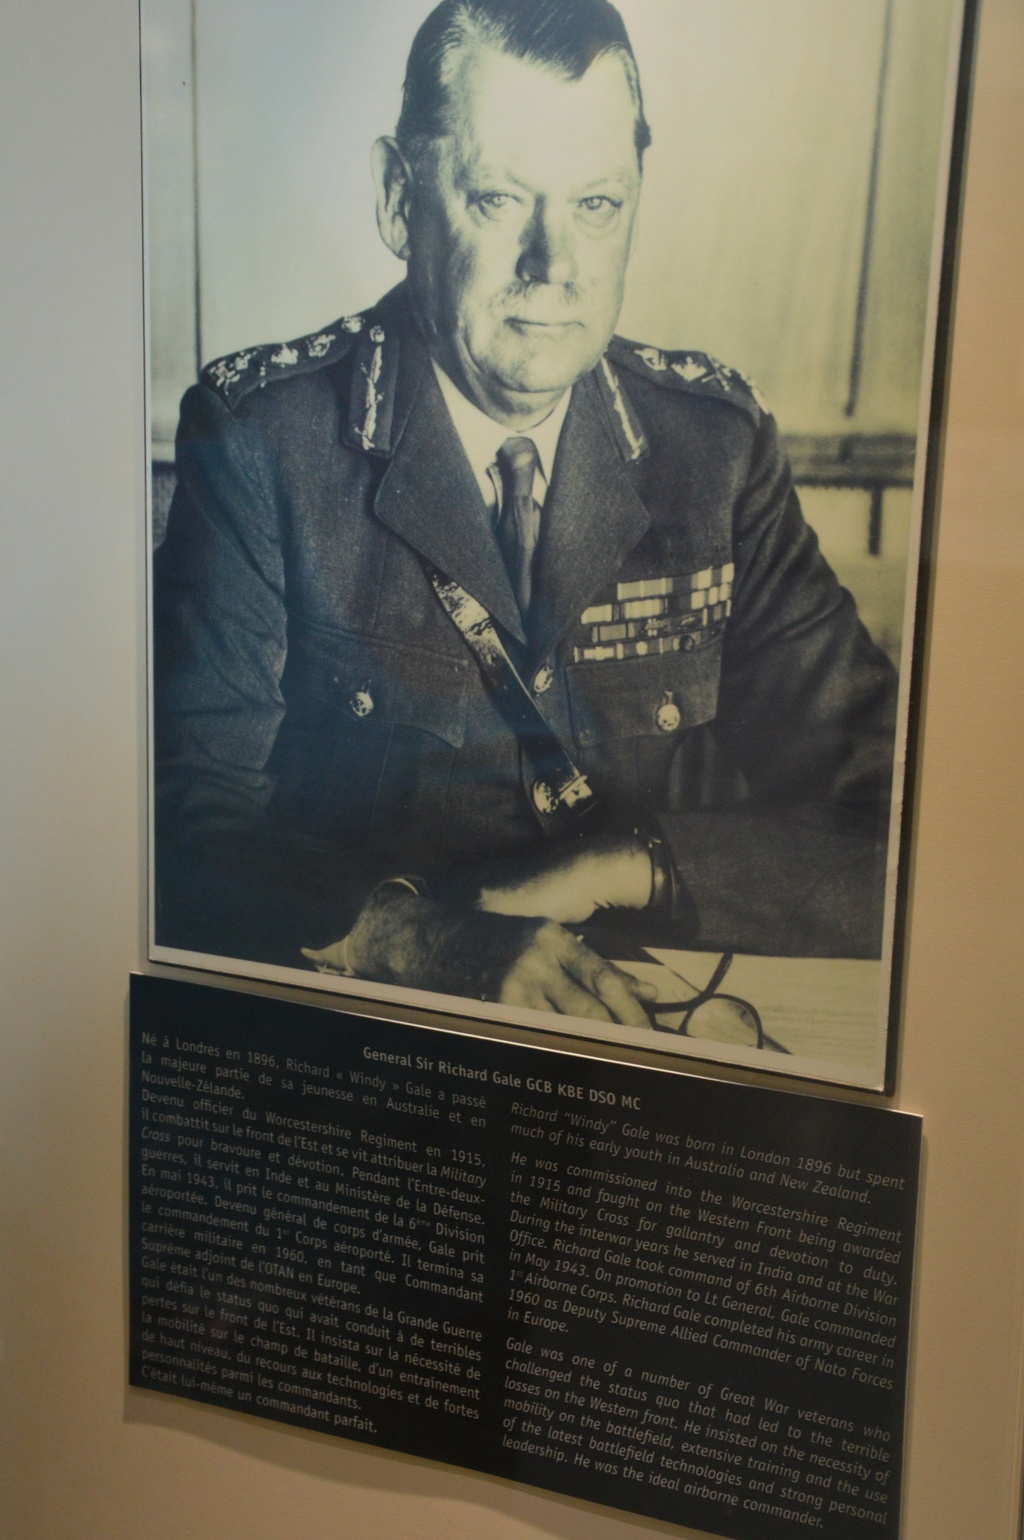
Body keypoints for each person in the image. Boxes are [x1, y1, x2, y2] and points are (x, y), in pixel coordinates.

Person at [154, 0, 897, 1029]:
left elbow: (906, 822)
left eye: (596, 204)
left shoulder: (711, 452)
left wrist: (633, 868)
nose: (555, 264)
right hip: (377, 1058)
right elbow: (179, 829)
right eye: (501, 198)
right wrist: (414, 940)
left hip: (645, 1050)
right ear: (396, 198)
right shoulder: (262, 443)